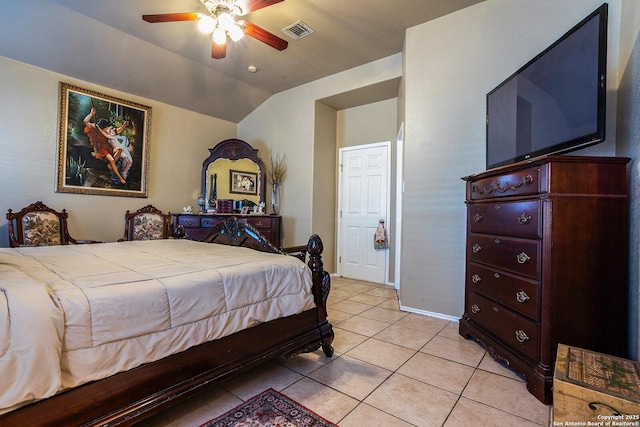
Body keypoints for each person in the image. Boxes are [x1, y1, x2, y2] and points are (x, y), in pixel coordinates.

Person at [83, 107, 127, 184]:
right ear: (102, 127)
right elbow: (85, 121)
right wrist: (91, 114)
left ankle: (110, 165)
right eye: (106, 128)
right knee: (112, 160)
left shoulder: (106, 131)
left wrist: (124, 126)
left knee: (119, 149)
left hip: (108, 147)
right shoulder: (94, 128)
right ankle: (120, 178)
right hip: (100, 149)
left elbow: (116, 131)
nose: (107, 129)